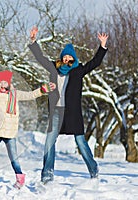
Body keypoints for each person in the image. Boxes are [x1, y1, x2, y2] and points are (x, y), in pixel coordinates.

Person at [28, 26, 109, 184]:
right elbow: (40, 58)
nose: (66, 60)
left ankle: (93, 169)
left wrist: (102, 46)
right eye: (64, 57)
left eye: (69, 58)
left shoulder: (78, 70)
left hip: (73, 113)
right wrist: (33, 41)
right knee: (49, 142)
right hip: (56, 112)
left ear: (73, 59)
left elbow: (95, 63)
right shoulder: (54, 68)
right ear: (61, 58)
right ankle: (47, 175)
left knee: (80, 142)